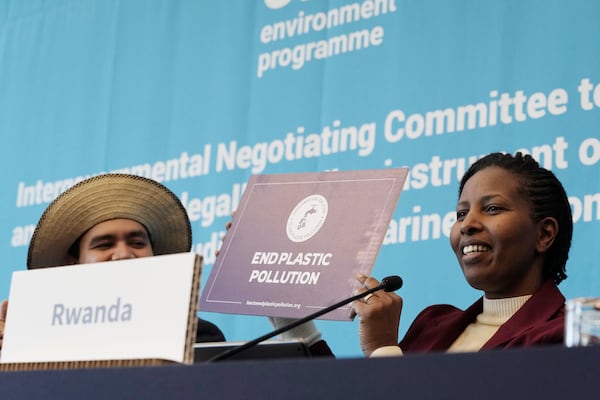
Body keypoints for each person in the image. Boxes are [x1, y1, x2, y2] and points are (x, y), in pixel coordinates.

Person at [352, 152, 573, 356]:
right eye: (461, 213)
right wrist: (314, 337)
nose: (467, 224)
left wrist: (382, 350)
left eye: (492, 208)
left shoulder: (569, 336)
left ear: (544, 234)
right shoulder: (431, 325)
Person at [0, 173, 225, 352]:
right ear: (72, 264)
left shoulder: (195, 335)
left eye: (137, 243)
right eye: (104, 245)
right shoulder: (41, 341)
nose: (124, 254)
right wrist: (11, 351)